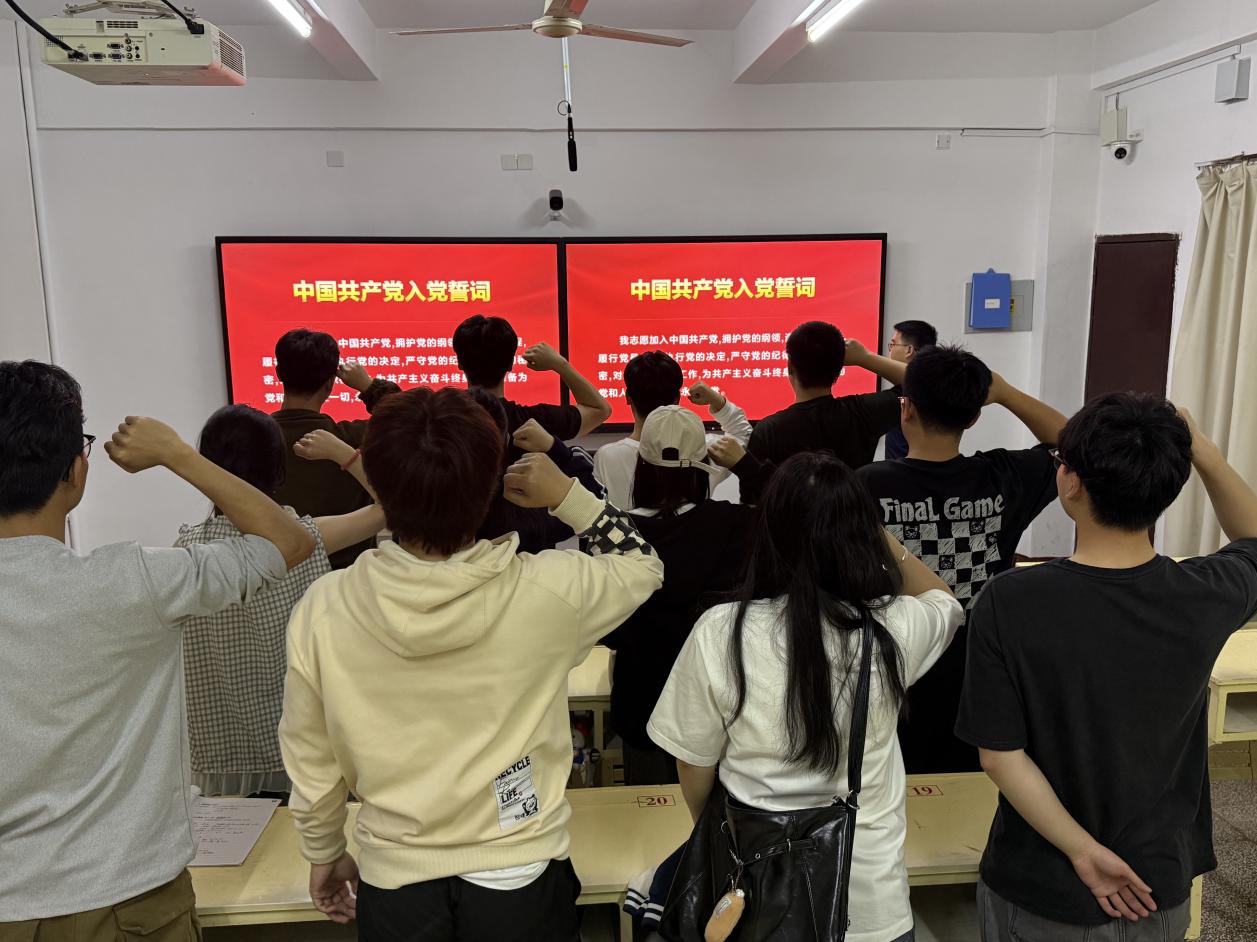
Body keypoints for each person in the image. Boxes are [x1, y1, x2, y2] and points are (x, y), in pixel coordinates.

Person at [277, 387, 663, 939]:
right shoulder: (549, 591)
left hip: (395, 874)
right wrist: (567, 494)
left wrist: (324, 849)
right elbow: (643, 563)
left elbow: (310, 751)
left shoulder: (326, 606)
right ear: (491, 483)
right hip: (521, 868)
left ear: (377, 486)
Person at [0, 360, 313, 936]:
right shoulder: (135, 581)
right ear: (75, 470)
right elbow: (288, 540)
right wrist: (176, 454)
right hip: (129, 904)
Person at [957, 395, 1257, 942]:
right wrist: (1206, 454)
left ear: (1070, 483)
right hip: (1155, 882)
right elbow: (1254, 541)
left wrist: (1082, 851)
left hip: (1041, 880)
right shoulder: (1207, 592)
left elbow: (999, 755)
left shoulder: (1012, 599)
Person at [648, 452, 963, 942]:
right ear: (861, 534)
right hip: (871, 905)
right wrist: (877, 535)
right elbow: (944, 600)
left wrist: (722, 835)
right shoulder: (893, 627)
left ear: (769, 533)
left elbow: (693, 764)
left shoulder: (722, 630)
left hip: (756, 895)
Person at [857, 345, 1067, 773]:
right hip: (980, 674)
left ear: (906, 409)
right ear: (973, 418)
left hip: (890, 673)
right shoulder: (1005, 475)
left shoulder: (863, 485)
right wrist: (1004, 392)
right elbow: (1076, 444)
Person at [175, 407, 386, 799]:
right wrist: (344, 453)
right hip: (301, 747)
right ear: (277, 470)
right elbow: (389, 506)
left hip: (220, 756)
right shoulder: (308, 539)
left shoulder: (185, 551)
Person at [601, 405, 755, 785]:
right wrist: (747, 466)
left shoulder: (618, 534)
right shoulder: (736, 525)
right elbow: (797, 509)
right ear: (703, 466)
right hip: (718, 706)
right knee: (715, 815)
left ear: (642, 465)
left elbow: (608, 631)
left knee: (649, 814)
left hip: (642, 707)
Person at [711, 324, 907, 503]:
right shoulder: (861, 413)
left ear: (790, 366)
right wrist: (864, 357)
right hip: (848, 526)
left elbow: (753, 505)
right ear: (839, 369)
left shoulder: (768, 431)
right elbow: (917, 385)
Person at [270, 329, 398, 569]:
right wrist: (369, 386)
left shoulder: (251, 440)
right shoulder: (358, 437)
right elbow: (408, 421)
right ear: (331, 383)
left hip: (274, 575)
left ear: (278, 373)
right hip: (348, 578)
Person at [593, 351, 751, 506]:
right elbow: (742, 437)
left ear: (628, 397)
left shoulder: (607, 456)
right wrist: (717, 400)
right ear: (677, 399)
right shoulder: (702, 449)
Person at [469, 386, 604, 553]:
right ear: (506, 440)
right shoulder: (532, 521)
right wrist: (555, 448)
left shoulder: (439, 516)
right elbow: (595, 503)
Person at [453, 314, 611, 447]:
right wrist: (560, 364)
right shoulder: (534, 422)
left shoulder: (443, 420)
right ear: (510, 365)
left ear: (459, 363)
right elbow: (600, 409)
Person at [883, 319, 938, 460]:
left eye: (893, 344)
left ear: (909, 350)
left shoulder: (911, 392)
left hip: (903, 469)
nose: (890, 350)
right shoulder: (937, 389)